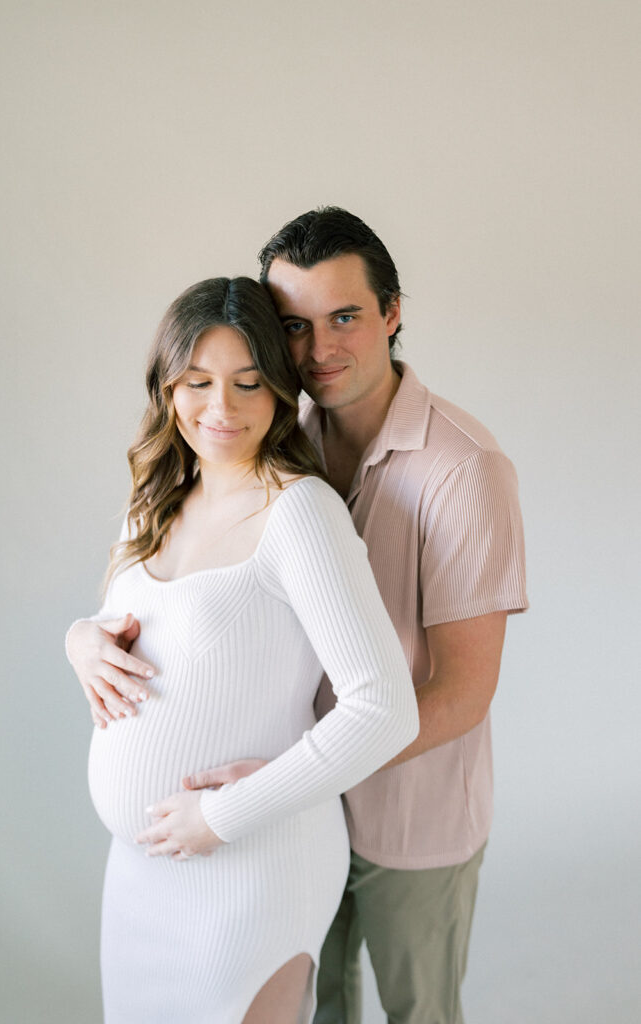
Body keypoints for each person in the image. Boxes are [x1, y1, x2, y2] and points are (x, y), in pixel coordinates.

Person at [67, 208, 529, 1024]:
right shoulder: (269, 436)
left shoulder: (462, 468)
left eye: (343, 317)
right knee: (326, 1010)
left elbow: (462, 690)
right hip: (288, 809)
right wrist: (81, 640)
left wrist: (290, 778)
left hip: (401, 815)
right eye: (294, 326)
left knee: (419, 1009)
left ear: (391, 313)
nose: (319, 349)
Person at [69, 274, 419, 1024]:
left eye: (247, 382)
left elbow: (384, 709)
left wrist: (222, 817)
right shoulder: (155, 495)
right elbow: (115, 623)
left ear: (282, 390)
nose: (219, 408)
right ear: (166, 386)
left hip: (252, 867)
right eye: (196, 381)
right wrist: (78, 642)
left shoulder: (300, 513)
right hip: (138, 874)